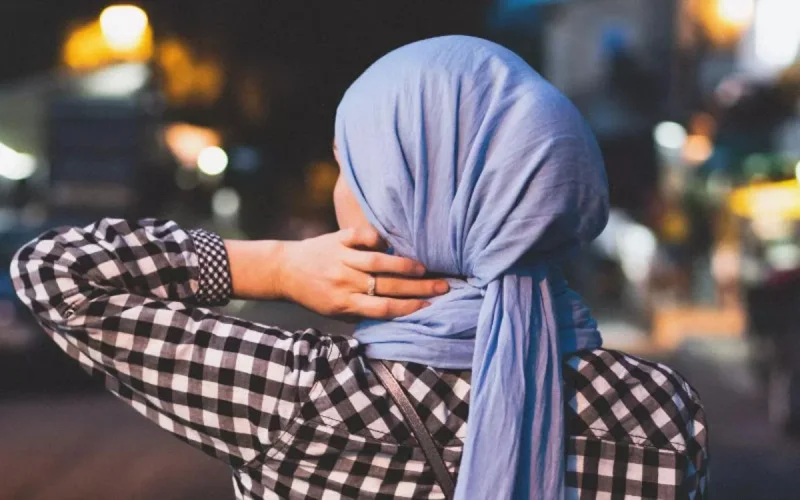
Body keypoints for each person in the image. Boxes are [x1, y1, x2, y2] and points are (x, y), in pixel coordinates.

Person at [11, 36, 708, 499]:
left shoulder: (295, 400)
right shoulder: (661, 415)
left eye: (353, 170)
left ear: (401, 200)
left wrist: (274, 268)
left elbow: (59, 272)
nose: (338, 192)